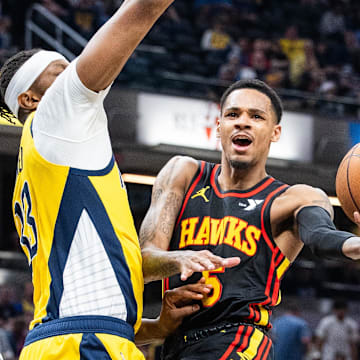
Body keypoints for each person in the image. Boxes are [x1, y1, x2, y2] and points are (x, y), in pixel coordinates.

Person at [0, 0, 234, 358]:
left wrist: (158, 319)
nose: (73, 72)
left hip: (82, 338)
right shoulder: (55, 114)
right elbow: (142, 9)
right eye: (60, 70)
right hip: (82, 342)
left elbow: (96, 270)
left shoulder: (49, 163)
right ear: (30, 98)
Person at [139, 78, 360, 359]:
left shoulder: (293, 199)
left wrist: (355, 244)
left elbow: (319, 235)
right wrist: (178, 259)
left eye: (256, 116)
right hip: (174, 342)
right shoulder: (183, 173)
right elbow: (144, 262)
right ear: (219, 127)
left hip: (240, 341)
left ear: (274, 132)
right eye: (233, 114)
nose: (242, 122)